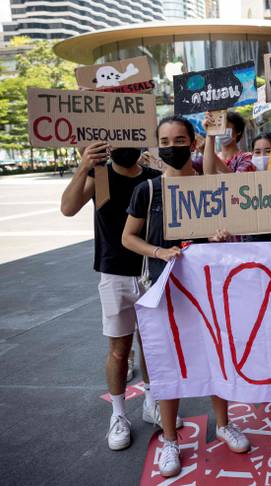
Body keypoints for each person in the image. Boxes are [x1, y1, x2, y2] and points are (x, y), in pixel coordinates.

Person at [121, 116, 251, 478]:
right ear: (157, 146)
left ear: (193, 144)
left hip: (207, 289)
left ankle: (223, 423)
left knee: (215, 356)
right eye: (165, 140)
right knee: (168, 365)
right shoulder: (147, 191)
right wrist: (158, 252)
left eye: (180, 140)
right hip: (164, 289)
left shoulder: (211, 186)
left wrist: (224, 237)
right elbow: (128, 238)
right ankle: (170, 439)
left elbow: (227, 232)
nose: (172, 146)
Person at [60, 143, 164, 451]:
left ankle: (152, 401)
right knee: (119, 349)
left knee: (152, 346)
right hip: (114, 272)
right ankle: (118, 414)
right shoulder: (100, 176)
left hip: (152, 270)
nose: (124, 147)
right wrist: (83, 166)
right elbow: (67, 208)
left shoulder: (154, 177)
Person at [202, 110, 256, 174]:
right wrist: (209, 134)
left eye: (225, 126)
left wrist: (205, 150)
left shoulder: (247, 157)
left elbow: (236, 181)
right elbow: (208, 175)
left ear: (238, 132)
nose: (220, 130)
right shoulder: (208, 156)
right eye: (219, 126)